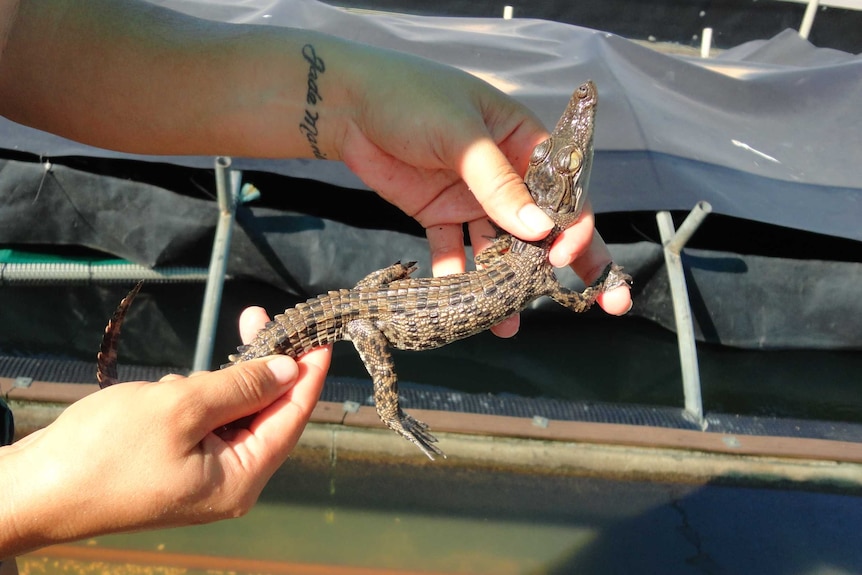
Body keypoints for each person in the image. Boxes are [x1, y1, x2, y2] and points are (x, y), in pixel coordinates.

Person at [0, 0, 631, 561]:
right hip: (374, 313)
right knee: (375, 360)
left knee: (361, 317)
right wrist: (36, 493)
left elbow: (28, 28)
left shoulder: (522, 260)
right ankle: (388, 409)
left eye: (565, 160)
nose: (578, 132)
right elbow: (566, 296)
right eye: (566, 160)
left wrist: (355, 102)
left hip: (381, 301)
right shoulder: (533, 264)